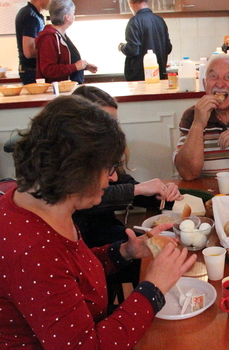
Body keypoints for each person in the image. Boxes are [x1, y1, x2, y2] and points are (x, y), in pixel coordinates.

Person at [0, 95, 196, 350]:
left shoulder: (43, 205)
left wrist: (126, 252)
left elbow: (68, 275)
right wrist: (152, 289)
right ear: (77, 172)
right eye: (108, 168)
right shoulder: (30, 248)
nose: (114, 178)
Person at [71, 85, 183, 300]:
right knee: (156, 257)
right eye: (106, 123)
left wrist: (159, 194)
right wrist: (138, 189)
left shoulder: (105, 151)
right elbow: (93, 198)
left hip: (107, 235)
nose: (113, 129)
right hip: (89, 242)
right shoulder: (75, 162)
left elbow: (124, 186)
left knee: (165, 245)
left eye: (115, 122)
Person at [35, 0, 97, 83]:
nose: (74, 16)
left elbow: (65, 61)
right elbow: (48, 69)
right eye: (73, 13)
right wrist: (75, 67)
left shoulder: (61, 35)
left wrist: (84, 66)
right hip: (60, 91)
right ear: (67, 17)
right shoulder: (49, 38)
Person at [119, 0, 172, 81]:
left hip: (140, 78)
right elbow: (168, 48)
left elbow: (133, 50)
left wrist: (121, 47)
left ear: (131, 3)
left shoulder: (134, 21)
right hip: (159, 74)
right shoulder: (160, 20)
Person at [15, 0, 51, 84]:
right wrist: (51, 52)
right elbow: (29, 52)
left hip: (31, 70)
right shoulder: (30, 16)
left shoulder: (34, 15)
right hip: (31, 70)